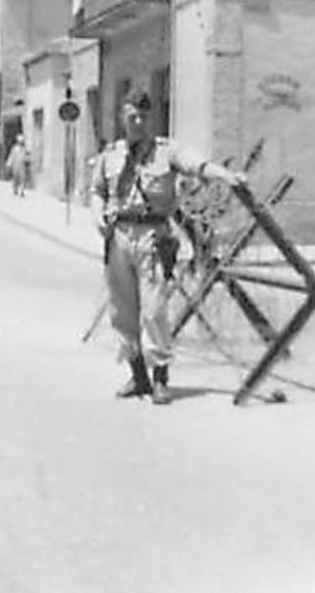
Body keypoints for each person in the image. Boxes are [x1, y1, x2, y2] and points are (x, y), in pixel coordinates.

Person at [90, 89, 245, 405]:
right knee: (123, 311)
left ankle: (160, 376)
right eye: (131, 115)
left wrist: (226, 176)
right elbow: (96, 190)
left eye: (142, 117)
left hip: (153, 236)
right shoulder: (111, 154)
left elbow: (198, 165)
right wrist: (98, 218)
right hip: (118, 235)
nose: (136, 121)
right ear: (122, 117)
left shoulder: (166, 152)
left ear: (150, 119)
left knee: (155, 308)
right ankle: (138, 377)